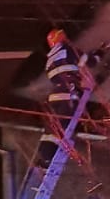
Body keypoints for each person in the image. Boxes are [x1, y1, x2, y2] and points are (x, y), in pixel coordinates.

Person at [38, 28, 94, 167]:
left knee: (51, 129)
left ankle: (44, 157)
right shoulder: (67, 49)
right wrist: (100, 53)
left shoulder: (50, 59)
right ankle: (50, 158)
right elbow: (89, 61)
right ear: (61, 38)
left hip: (54, 96)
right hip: (68, 94)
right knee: (62, 128)